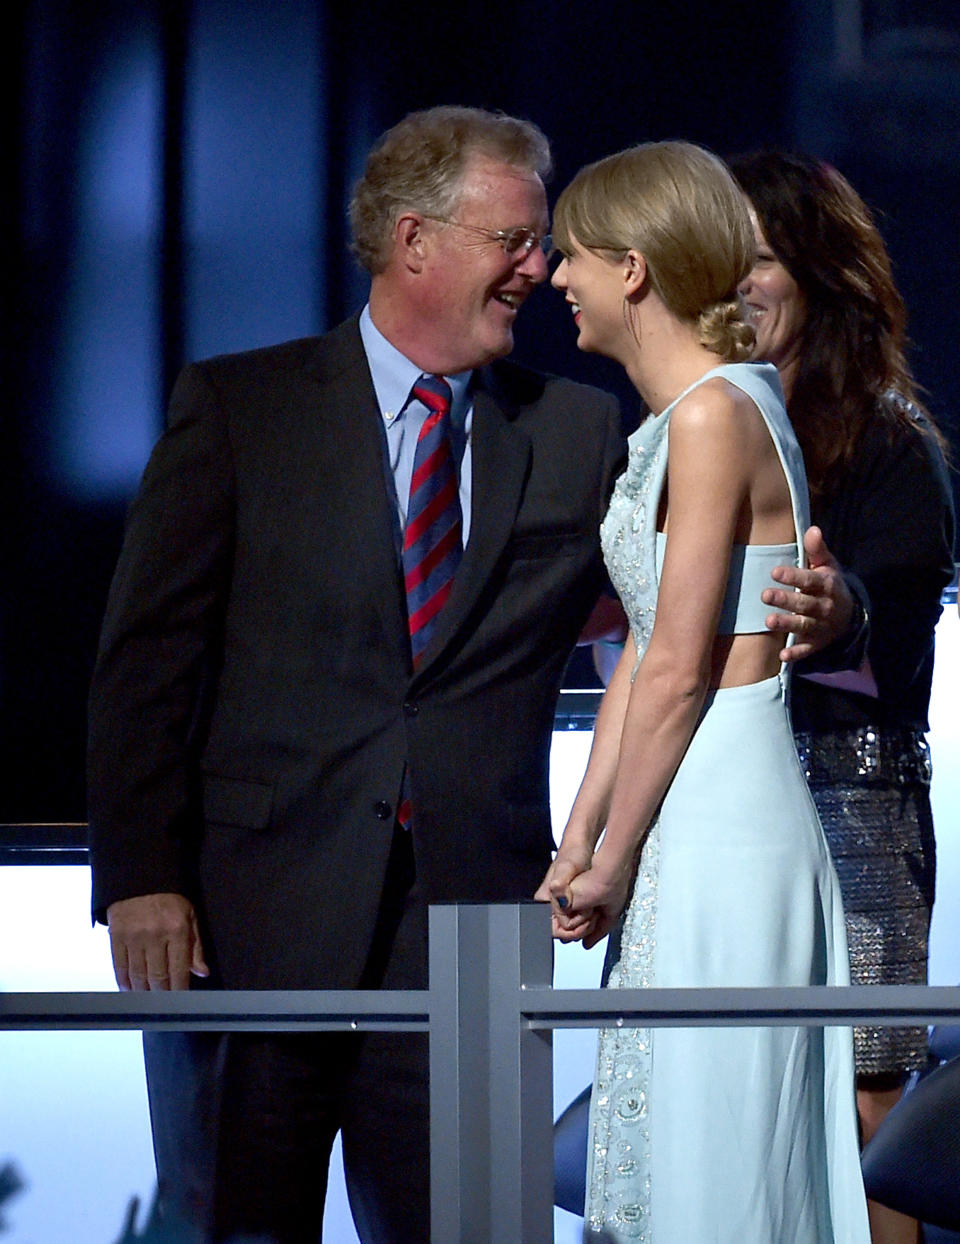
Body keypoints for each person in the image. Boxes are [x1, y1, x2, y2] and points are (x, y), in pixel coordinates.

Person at [86, 105, 626, 1244]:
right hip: (246, 923)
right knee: (238, 1225)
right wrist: (141, 873)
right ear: (415, 240)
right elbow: (148, 664)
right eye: (515, 240)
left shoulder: (576, 431)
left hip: (475, 930)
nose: (541, 266)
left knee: (469, 1231)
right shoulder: (243, 408)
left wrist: (829, 602)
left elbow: (669, 601)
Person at [538, 141, 870, 1242]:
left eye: (572, 255)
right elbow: (641, 653)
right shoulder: (684, 416)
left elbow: (683, 665)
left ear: (634, 269)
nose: (554, 278)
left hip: (725, 808)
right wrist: (581, 838)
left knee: (717, 1158)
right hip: (681, 801)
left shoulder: (718, 411)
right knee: (670, 1137)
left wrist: (615, 853)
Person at [731, 149, 956, 1244]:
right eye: (719, 259)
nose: (736, 284)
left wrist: (837, 612)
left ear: (818, 276)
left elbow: (889, 606)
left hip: (853, 817)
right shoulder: (702, 423)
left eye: (760, 259)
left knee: (872, 1094)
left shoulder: (886, 439)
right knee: (737, 1088)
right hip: (729, 814)